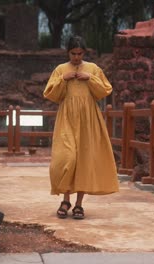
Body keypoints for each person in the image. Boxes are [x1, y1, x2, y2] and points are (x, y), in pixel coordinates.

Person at [43, 35, 119, 220]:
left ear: (84, 53)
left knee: (84, 160)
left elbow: (105, 90)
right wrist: (63, 78)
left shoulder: (93, 68)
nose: (76, 57)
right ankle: (65, 199)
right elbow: (50, 93)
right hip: (67, 118)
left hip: (88, 119)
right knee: (67, 158)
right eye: (73, 53)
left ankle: (78, 204)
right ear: (68, 52)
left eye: (79, 53)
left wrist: (90, 78)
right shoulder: (60, 69)